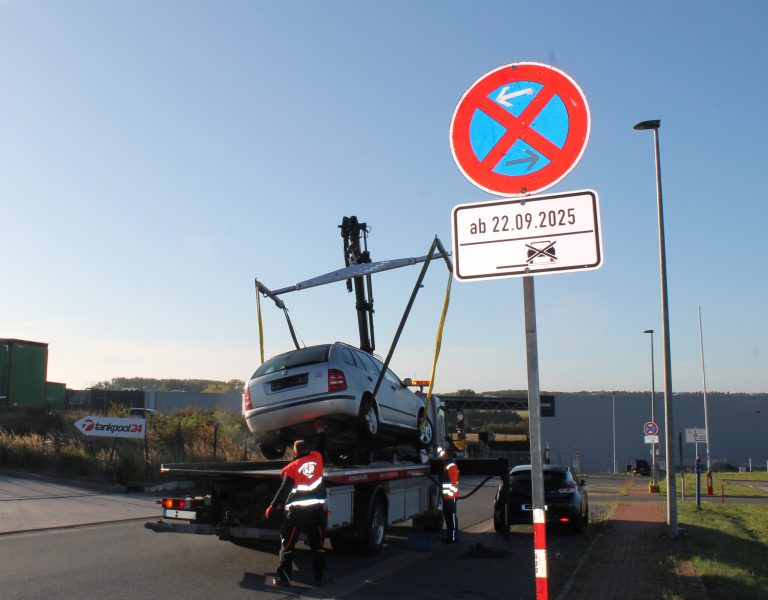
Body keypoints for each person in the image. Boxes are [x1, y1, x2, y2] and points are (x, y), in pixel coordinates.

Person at [264, 439, 327, 587]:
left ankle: (284, 578)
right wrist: (321, 433)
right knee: (318, 546)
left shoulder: (292, 468)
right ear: (309, 450)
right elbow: (321, 446)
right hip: (317, 512)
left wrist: (272, 507)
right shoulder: (317, 458)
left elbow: (284, 489)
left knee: (287, 545)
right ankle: (318, 578)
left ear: (294, 452)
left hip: (297, 514)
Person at [437, 446, 460, 543]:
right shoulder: (447, 464)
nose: (441, 456)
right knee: (448, 517)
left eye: (444, 454)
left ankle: (453, 538)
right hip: (447, 497)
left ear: (448, 455)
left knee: (451, 518)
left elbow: (454, 483)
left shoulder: (451, 466)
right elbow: (441, 452)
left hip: (450, 497)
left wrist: (449, 496)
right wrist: (437, 447)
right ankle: (450, 537)